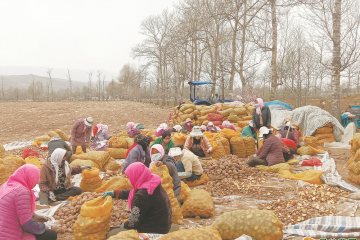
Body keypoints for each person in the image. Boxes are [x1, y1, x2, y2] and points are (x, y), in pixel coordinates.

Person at [104, 162, 172, 238]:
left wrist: (125, 225)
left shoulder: (142, 196)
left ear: (136, 176)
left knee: (112, 235)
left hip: (153, 230)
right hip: (164, 225)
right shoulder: (151, 182)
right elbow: (134, 192)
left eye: (129, 177)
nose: (128, 179)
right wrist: (115, 193)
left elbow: (134, 221)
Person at [0, 164, 58, 240]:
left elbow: (16, 209)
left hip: (4, 228)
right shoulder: (22, 192)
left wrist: (34, 216)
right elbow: (27, 224)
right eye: (35, 180)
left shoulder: (7, 185)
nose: (34, 184)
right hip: (9, 235)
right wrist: (43, 227)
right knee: (51, 234)